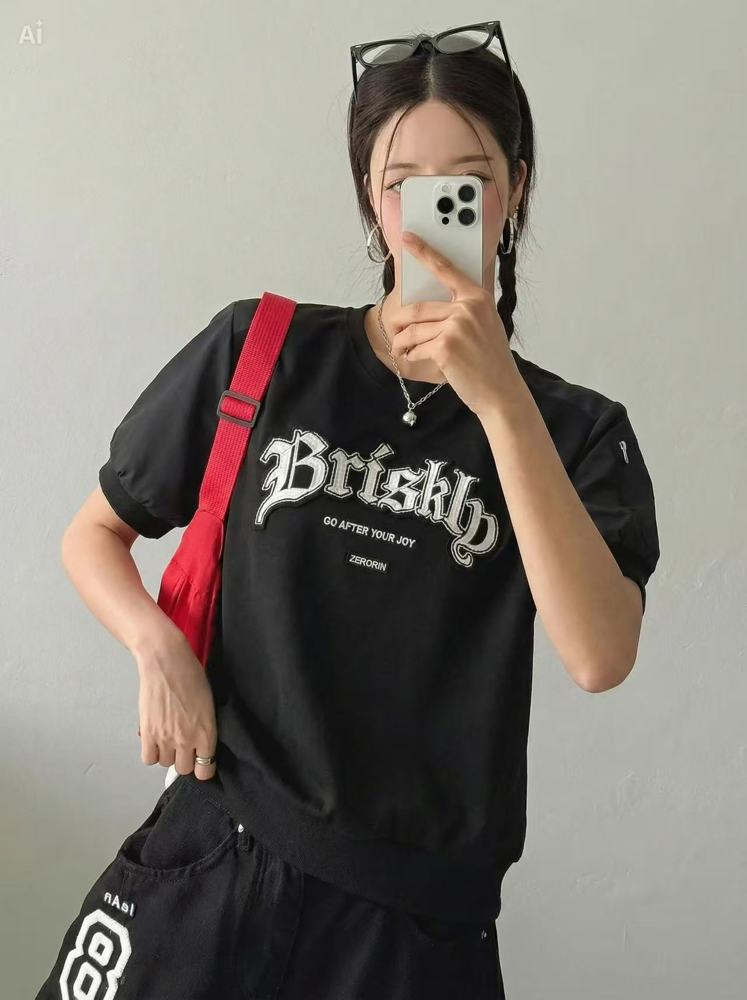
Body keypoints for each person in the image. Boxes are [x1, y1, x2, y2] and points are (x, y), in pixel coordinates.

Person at [33, 21, 660, 1000]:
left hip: (412, 931)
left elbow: (599, 654)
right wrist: (157, 649)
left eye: (467, 180)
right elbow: (94, 534)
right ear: (370, 196)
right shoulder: (261, 351)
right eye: (402, 181)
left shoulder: (574, 430)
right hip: (215, 862)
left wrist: (499, 400)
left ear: (515, 190)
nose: (431, 209)